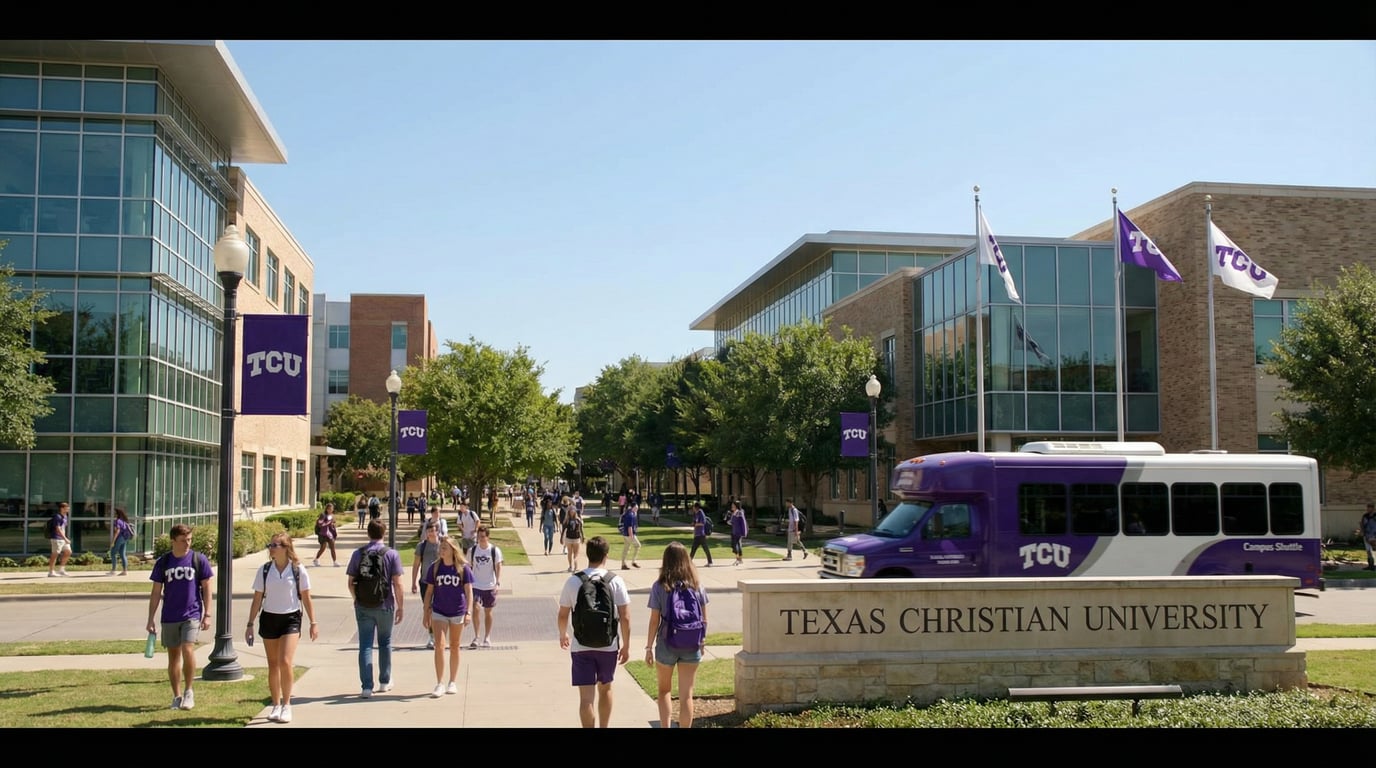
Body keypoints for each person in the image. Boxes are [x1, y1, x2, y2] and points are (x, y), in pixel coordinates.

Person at [556, 535, 632, 728]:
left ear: (586, 554)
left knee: (586, 698)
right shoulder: (616, 582)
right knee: (605, 689)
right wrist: (626, 646)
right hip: (608, 646)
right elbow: (625, 616)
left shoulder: (574, 581)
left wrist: (563, 634)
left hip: (581, 646)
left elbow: (563, 614)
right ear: (606, 556)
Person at [244, 532, 318, 723]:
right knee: (273, 664)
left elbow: (307, 597)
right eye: (271, 545)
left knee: (285, 661)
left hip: (291, 618)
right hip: (269, 618)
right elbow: (257, 598)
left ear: (286, 548)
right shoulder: (265, 570)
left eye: (275, 545)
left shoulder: (298, 570)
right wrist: (250, 624)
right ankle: (276, 704)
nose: (272, 548)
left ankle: (286, 705)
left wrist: (313, 622)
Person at [146, 523, 212, 711]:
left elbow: (207, 587)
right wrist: (150, 618)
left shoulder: (198, 560)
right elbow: (156, 592)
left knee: (188, 649)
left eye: (189, 540)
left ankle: (189, 691)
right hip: (169, 616)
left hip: (191, 613)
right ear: (173, 541)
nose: (187, 544)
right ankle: (176, 695)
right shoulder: (164, 562)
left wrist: (207, 614)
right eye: (183, 541)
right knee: (173, 656)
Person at [643, 540, 709, 729]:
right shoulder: (697, 586)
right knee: (687, 694)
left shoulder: (659, 586)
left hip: (666, 643)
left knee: (664, 691)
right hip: (692, 643)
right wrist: (702, 640)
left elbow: (654, 620)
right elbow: (704, 619)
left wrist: (648, 647)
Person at [346, 519, 404, 698]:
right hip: (385, 604)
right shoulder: (391, 554)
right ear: (384, 533)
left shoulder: (358, 553)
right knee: (385, 642)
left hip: (363, 605)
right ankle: (384, 681)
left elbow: (350, 583)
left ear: (368, 533)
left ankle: (366, 687)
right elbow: (398, 583)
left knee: (365, 645)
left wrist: (357, 599)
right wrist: (400, 606)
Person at [421, 534, 474, 697]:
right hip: (439, 611)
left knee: (455, 645)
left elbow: (469, 591)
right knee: (439, 645)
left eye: (444, 548)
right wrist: (426, 612)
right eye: (440, 547)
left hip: (457, 611)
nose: (441, 550)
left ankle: (453, 681)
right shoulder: (435, 567)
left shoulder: (463, 568)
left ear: (453, 550)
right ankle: (439, 683)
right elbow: (429, 591)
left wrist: (468, 612)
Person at [465, 525, 503, 649]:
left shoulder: (494, 550)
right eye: (479, 536)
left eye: (483, 536)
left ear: (487, 537)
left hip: (490, 585)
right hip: (476, 585)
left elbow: (498, 567)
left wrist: (497, 583)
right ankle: (476, 636)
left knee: (488, 611)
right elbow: (468, 567)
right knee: (476, 608)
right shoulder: (473, 550)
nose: (480, 539)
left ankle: (487, 637)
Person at [411, 521, 443, 649]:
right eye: (428, 531)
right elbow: (416, 564)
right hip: (425, 582)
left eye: (432, 530)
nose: (430, 533)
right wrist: (413, 582)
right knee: (428, 609)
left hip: (440, 582)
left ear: (437, 531)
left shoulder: (442, 545)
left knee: (439, 610)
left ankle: (439, 635)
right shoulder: (421, 546)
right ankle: (431, 636)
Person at [46, 501, 72, 577]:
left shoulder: (65, 516)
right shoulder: (57, 517)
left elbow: (63, 527)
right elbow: (58, 529)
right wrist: (65, 538)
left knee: (68, 552)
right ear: (62, 508)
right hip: (56, 538)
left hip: (63, 539)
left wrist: (64, 538)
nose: (68, 509)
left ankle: (61, 570)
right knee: (55, 554)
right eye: (67, 508)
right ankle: (51, 572)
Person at [107, 507, 134, 576]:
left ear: (116, 514)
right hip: (125, 538)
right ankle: (125, 571)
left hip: (120, 538)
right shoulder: (123, 521)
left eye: (113, 513)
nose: (111, 514)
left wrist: (113, 541)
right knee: (122, 554)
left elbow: (117, 531)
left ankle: (113, 570)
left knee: (113, 553)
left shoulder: (117, 521)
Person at [312, 502, 339, 567]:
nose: (330, 510)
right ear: (326, 509)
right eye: (329, 509)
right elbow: (320, 523)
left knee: (332, 547)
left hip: (330, 534)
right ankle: (316, 559)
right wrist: (327, 522)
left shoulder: (332, 516)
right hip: (323, 534)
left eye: (331, 509)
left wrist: (332, 525)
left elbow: (333, 524)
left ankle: (335, 561)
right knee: (323, 548)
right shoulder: (323, 515)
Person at [689, 501, 713, 567]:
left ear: (696, 507)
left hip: (701, 534)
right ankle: (689, 562)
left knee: (706, 549)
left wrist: (695, 524)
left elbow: (703, 523)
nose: (693, 508)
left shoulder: (701, 513)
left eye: (693, 506)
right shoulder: (695, 514)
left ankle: (710, 562)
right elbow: (695, 523)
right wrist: (694, 529)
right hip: (697, 534)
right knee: (693, 549)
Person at [619, 501, 641, 570]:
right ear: (633, 507)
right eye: (636, 507)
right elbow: (629, 526)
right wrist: (631, 536)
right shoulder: (630, 515)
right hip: (629, 534)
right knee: (638, 546)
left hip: (625, 534)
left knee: (626, 548)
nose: (637, 508)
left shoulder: (629, 512)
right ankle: (633, 561)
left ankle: (623, 564)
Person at [563, 504, 585, 572]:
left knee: (570, 552)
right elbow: (581, 529)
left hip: (569, 538)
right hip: (576, 538)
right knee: (576, 554)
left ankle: (570, 566)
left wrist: (561, 538)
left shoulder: (567, 520)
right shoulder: (578, 520)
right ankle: (575, 566)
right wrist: (583, 536)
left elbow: (563, 529)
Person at [728, 500, 747, 567]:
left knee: (736, 545)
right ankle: (740, 559)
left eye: (733, 505)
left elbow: (743, 523)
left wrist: (744, 532)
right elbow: (733, 522)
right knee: (737, 545)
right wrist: (729, 522)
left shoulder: (739, 513)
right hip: (734, 531)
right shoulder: (734, 513)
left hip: (738, 532)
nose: (732, 506)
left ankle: (738, 559)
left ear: (736, 506)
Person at [1362, 503, 1376, 571]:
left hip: (1373, 535)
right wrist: (1363, 533)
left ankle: (1374, 565)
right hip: (1366, 535)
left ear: (1373, 508)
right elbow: (1363, 525)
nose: (1367, 509)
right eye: (1367, 508)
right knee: (1368, 551)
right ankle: (1370, 565)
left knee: (1374, 550)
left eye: (1369, 508)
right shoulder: (1365, 516)